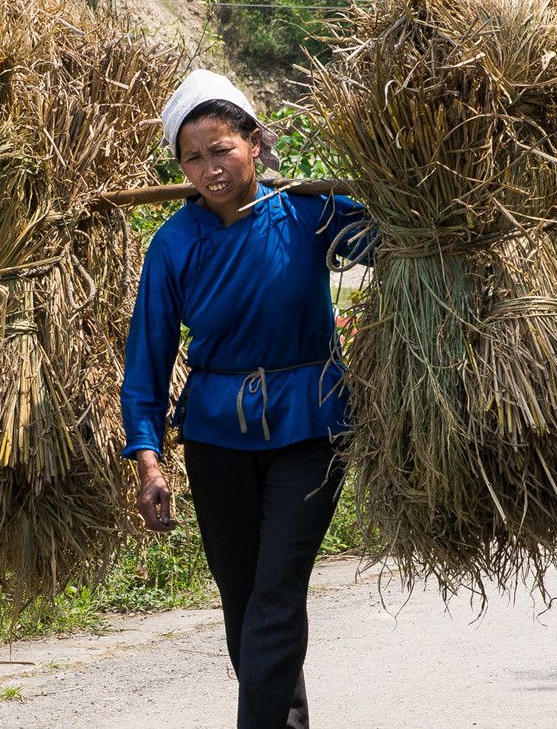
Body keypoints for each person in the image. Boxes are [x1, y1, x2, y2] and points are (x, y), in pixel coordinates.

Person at [121, 69, 371, 729]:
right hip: (216, 439)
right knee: (244, 604)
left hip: (310, 427)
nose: (210, 169)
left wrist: (397, 187)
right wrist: (150, 462)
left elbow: (397, 236)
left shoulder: (310, 216)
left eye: (222, 150)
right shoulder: (175, 245)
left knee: (277, 591)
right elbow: (146, 362)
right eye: (193, 158)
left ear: (255, 143)